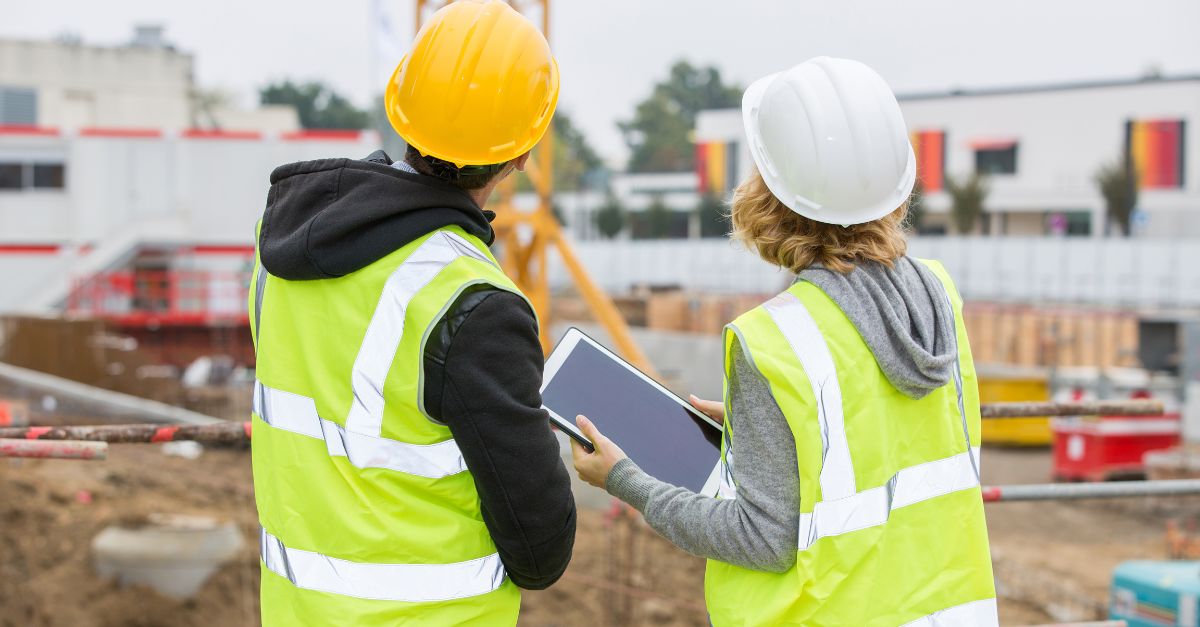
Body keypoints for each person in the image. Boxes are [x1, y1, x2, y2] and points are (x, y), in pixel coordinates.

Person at [572, 57, 998, 626]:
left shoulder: (775, 340)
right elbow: (888, 435)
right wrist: (778, 429)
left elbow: (763, 538)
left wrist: (629, 483)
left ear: (770, 194)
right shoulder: (939, 301)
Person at [249, 1, 574, 624]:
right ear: (523, 154)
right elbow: (540, 553)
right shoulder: (473, 303)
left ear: (402, 109)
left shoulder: (276, 245)